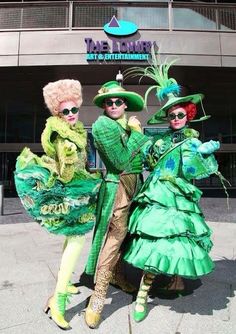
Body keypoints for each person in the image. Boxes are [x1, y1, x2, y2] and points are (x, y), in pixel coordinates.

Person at [123, 57, 221, 322]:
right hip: (157, 194)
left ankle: (174, 281)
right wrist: (133, 134)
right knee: (156, 241)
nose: (176, 118)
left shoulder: (191, 142)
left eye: (180, 114)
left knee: (176, 243)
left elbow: (191, 171)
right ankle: (143, 294)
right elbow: (148, 159)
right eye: (171, 115)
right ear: (167, 117)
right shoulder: (161, 139)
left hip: (178, 197)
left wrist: (201, 153)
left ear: (187, 115)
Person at [14, 79, 101, 330]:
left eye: (75, 110)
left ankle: (62, 285)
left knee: (71, 242)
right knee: (75, 243)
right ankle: (58, 302)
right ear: (57, 113)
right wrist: (70, 159)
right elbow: (65, 173)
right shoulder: (63, 137)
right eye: (66, 111)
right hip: (70, 196)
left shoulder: (73, 131)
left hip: (75, 196)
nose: (72, 115)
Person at [84, 80, 150, 328]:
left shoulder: (126, 124)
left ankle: (118, 274)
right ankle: (98, 296)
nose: (113, 105)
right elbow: (120, 161)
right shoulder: (102, 126)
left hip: (135, 186)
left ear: (125, 104)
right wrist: (136, 135)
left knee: (128, 234)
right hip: (117, 188)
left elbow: (139, 160)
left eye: (118, 101)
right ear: (104, 104)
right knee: (115, 236)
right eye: (109, 101)